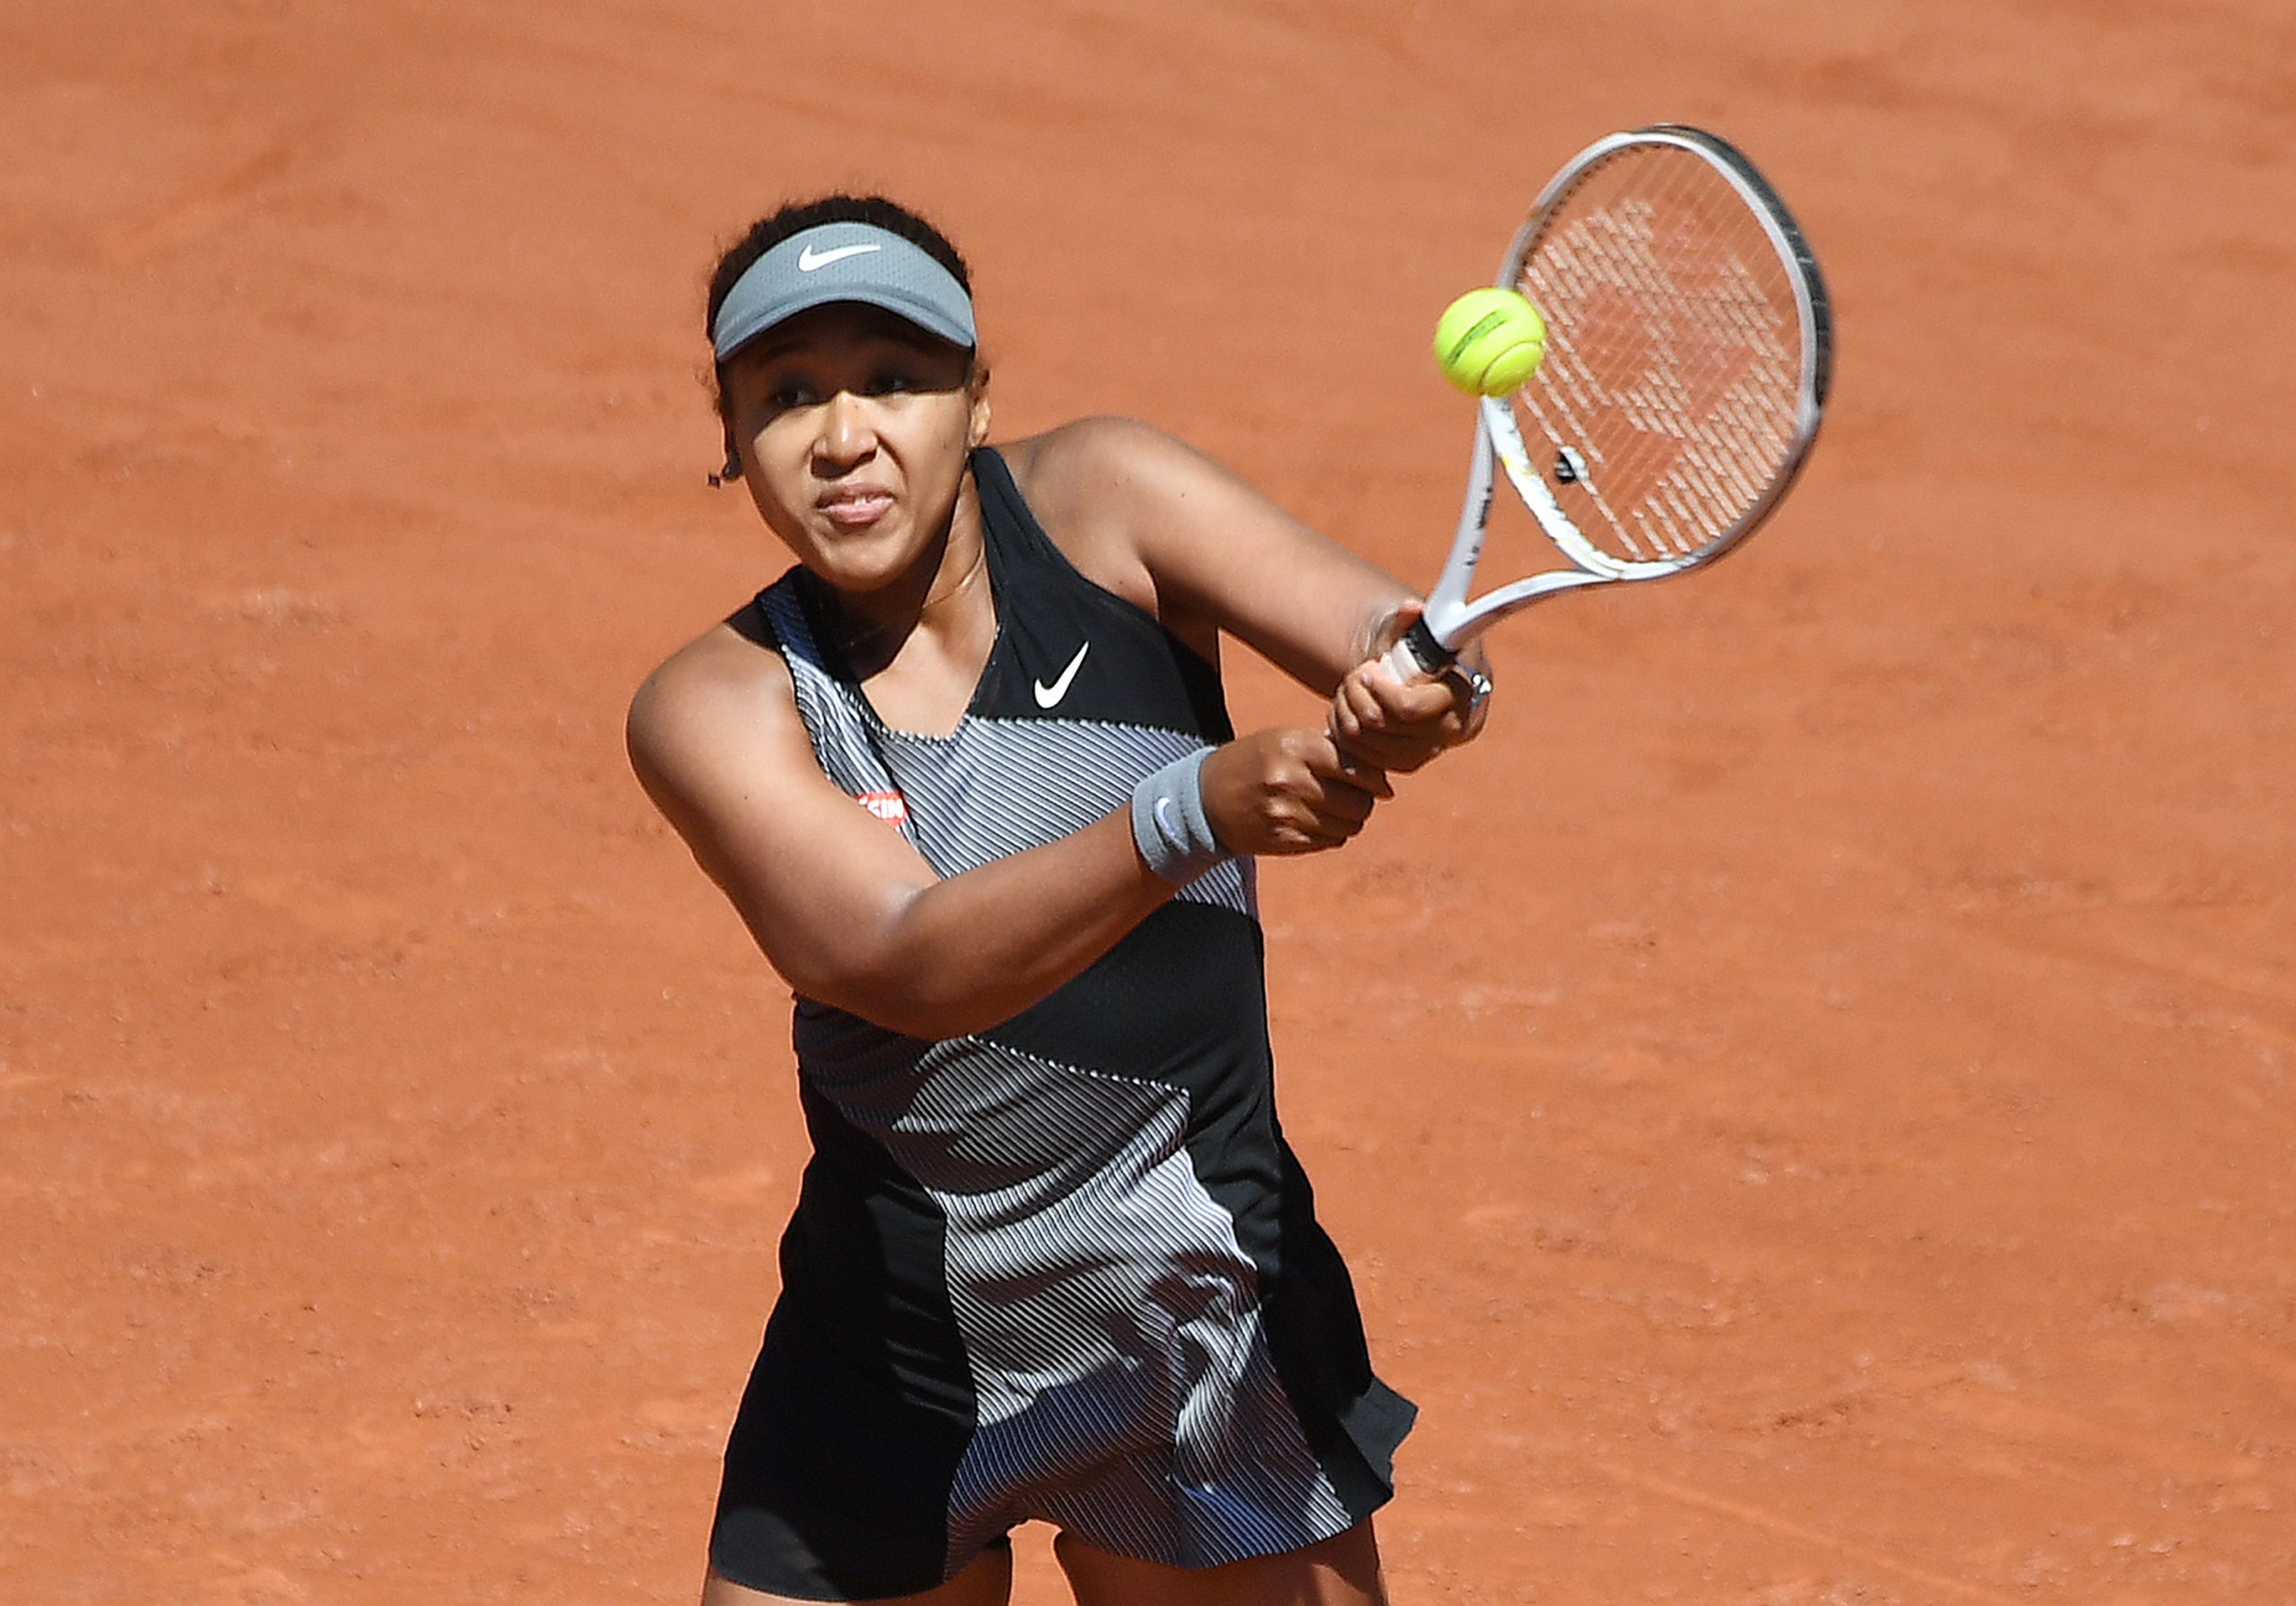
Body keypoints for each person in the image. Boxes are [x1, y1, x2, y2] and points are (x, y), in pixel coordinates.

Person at [626, 194, 1488, 1606]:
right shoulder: (714, 703)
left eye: (894, 379)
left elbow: (1378, 632)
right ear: (731, 441)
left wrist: (1421, 684)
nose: (843, 436)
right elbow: (908, 960)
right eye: (787, 395)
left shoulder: (1108, 503)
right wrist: (1191, 809)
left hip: (1202, 1328)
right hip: (892, 1357)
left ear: (977, 399)